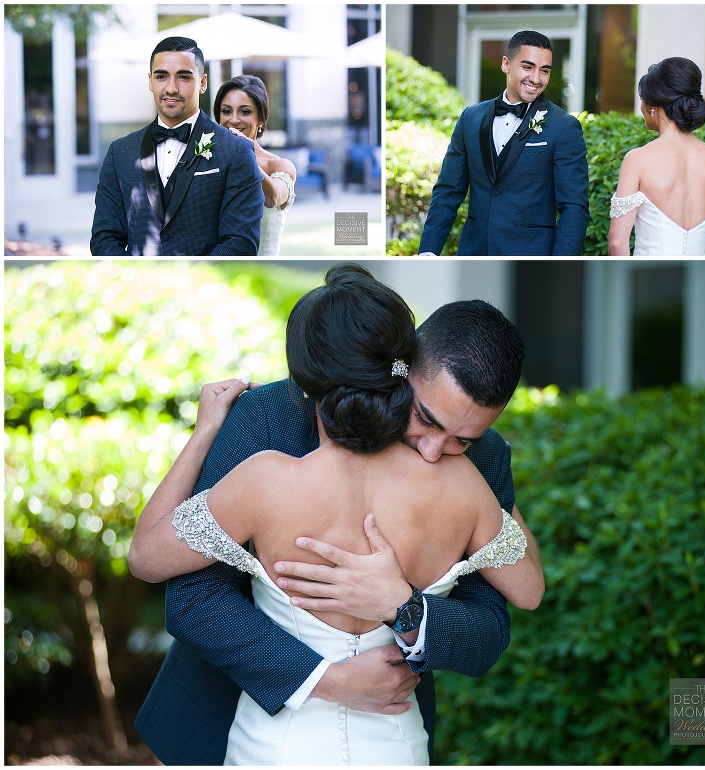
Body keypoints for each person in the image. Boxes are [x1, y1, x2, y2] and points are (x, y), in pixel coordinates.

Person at [129, 264, 542, 764]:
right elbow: (196, 597)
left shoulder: (483, 462)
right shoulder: (265, 419)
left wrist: (406, 607)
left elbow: (490, 626)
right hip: (238, 706)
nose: (435, 451)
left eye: (464, 440)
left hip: (387, 716)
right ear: (402, 365)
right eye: (425, 419)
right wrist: (324, 679)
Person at [418, 30, 589, 256]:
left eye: (544, 70)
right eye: (527, 67)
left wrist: (560, 266)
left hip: (531, 258)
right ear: (506, 64)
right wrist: (428, 252)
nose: (536, 78)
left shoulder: (564, 127)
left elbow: (574, 208)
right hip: (473, 254)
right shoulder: (470, 118)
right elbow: (448, 190)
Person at [90, 36, 264, 256]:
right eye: (161, 76)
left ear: (202, 83)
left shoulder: (236, 151)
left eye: (183, 77)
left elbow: (241, 242)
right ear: (150, 81)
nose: (171, 88)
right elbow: (104, 239)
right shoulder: (119, 153)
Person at [608, 57, 705, 256]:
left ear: (653, 105)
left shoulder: (637, 160)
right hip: (699, 275)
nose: (641, 106)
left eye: (643, 98)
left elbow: (617, 243)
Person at [214, 76, 297, 257]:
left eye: (244, 112)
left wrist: (245, 156)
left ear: (261, 118)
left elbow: (273, 198)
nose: (234, 120)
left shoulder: (279, 165)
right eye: (226, 111)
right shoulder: (211, 162)